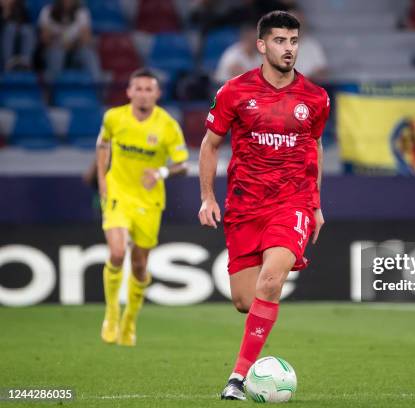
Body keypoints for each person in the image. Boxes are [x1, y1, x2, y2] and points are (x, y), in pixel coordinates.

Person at [198, 11, 330, 400]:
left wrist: (316, 204)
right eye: (279, 41)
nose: (288, 49)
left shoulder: (316, 97)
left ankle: (237, 379)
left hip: (293, 202)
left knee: (271, 282)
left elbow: (315, 146)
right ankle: (253, 355)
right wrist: (207, 197)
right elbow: (210, 144)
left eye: (293, 42)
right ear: (261, 45)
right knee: (244, 299)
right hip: (244, 206)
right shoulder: (234, 92)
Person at [96, 68, 188, 346]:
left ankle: (130, 319)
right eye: (139, 88)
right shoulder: (114, 117)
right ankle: (112, 313)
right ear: (129, 92)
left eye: (150, 89)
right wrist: (102, 179)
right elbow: (102, 145)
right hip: (118, 193)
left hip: (149, 201)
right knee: (116, 252)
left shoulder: (167, 125)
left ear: (157, 94)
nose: (144, 93)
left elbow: (182, 164)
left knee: (139, 266)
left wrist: (160, 173)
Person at [38, 0, 101, 80]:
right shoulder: (47, 11)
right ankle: (53, 88)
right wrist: (60, 43)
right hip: (55, 50)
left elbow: (86, 39)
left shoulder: (82, 12)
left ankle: (98, 86)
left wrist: (71, 44)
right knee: (56, 53)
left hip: (75, 51)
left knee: (88, 52)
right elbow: (45, 39)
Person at [1, 0, 35, 70]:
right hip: (4, 33)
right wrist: (5, 11)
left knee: (28, 30)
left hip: (19, 34)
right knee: (10, 28)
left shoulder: (20, 6)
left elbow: (26, 21)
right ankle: (8, 62)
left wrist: (18, 25)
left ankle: (25, 62)